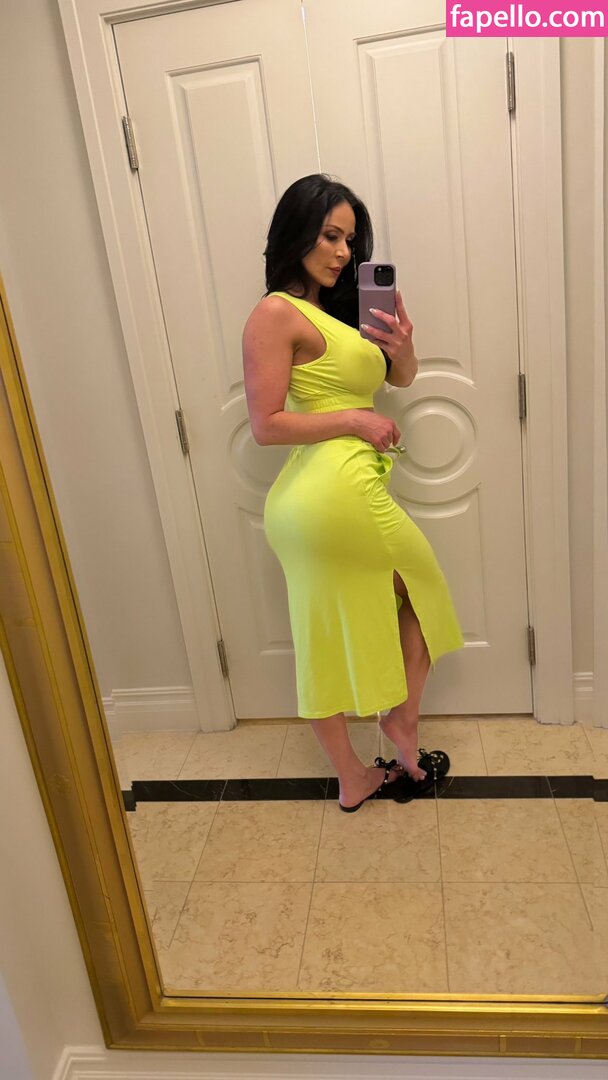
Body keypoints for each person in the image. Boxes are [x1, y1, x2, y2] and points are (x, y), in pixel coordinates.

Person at [242, 174, 464, 812]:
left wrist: (403, 348)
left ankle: (354, 777)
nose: (342, 252)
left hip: (339, 493)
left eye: (350, 239)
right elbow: (265, 425)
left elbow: (401, 379)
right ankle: (400, 723)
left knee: (345, 628)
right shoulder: (274, 313)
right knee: (418, 594)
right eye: (329, 236)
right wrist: (356, 421)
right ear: (296, 233)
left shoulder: (337, 313)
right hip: (329, 495)